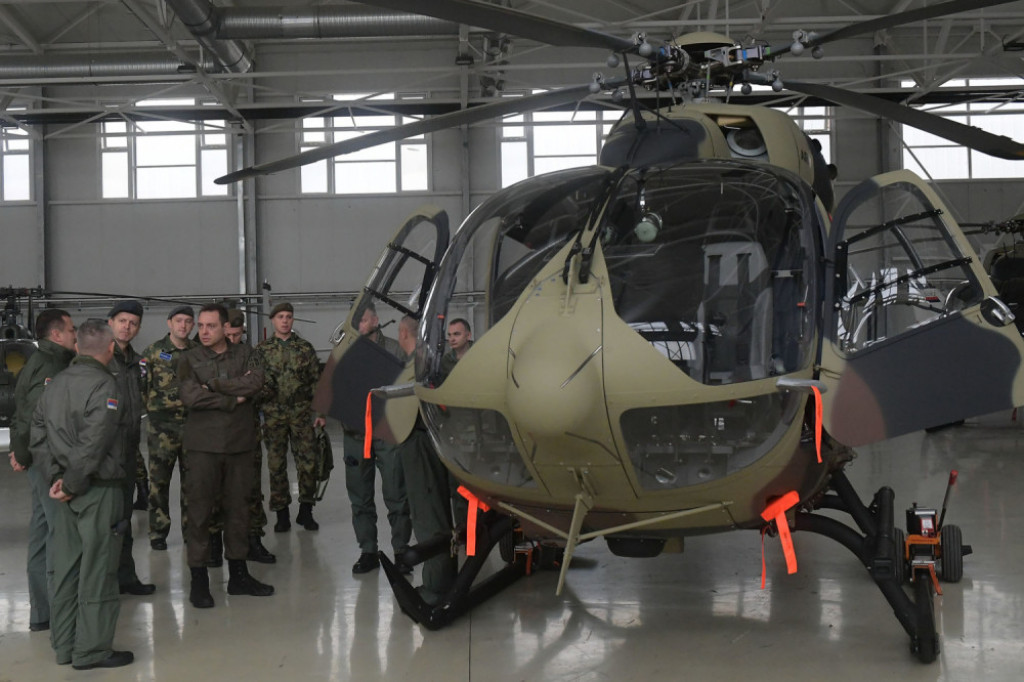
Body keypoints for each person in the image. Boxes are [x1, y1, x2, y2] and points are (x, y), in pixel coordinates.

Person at [29, 319, 134, 670]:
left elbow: (37, 433)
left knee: (66, 568)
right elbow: (95, 440)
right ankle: (91, 651)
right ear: (110, 348)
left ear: (77, 347)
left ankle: (64, 646)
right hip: (97, 490)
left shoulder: (56, 383)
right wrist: (73, 483)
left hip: (61, 491)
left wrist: (57, 478)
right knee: (98, 569)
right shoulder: (106, 385)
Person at [178, 303, 272, 608]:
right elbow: (191, 397)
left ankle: (239, 576)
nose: (204, 332)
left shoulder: (245, 353)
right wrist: (232, 400)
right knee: (199, 514)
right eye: (201, 326)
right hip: (203, 447)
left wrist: (215, 386)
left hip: (239, 445)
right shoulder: (188, 358)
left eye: (211, 326)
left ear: (225, 327)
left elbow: (255, 382)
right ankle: (199, 580)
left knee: (238, 512)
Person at [8, 308, 77, 633]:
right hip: (48, 463)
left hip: (39, 460)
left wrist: (20, 452)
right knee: (58, 535)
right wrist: (22, 454)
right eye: (71, 329)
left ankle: (42, 612)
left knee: (40, 533)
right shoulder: (50, 367)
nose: (75, 334)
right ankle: (56, 613)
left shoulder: (50, 362)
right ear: (57, 334)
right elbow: (35, 419)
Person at [344, 302, 411, 574]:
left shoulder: (393, 349)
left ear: (375, 320)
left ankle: (402, 551)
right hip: (355, 433)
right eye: (355, 320)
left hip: (386, 432)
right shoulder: (345, 351)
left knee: (396, 494)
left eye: (363, 319)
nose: (359, 324)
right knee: (360, 496)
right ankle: (368, 550)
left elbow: (408, 388)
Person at [395, 316, 457, 605]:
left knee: (428, 516)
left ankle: (436, 587)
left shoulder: (417, 368)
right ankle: (445, 578)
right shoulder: (430, 363)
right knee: (436, 513)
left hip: (420, 444)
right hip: (430, 442)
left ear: (403, 333)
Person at [257, 301, 324, 533]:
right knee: (276, 465)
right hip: (273, 413)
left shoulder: (305, 348)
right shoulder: (262, 350)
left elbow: (316, 382)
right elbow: (255, 382)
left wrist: (320, 412)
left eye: (288, 316)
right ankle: (281, 513)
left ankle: (306, 510)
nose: (285, 320)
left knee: (308, 463)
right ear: (272, 320)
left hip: (301, 412)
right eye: (280, 317)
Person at [106, 300, 155, 596]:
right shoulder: (97, 359)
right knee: (103, 523)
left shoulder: (137, 363)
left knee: (124, 521)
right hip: (102, 455)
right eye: (122, 320)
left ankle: (125, 577)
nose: (127, 327)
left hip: (127, 453)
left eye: (133, 323)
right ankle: (102, 583)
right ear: (110, 322)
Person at [141, 305, 195, 551]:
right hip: (162, 429)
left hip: (192, 427)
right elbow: (143, 387)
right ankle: (158, 532)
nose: (183, 325)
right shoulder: (154, 352)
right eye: (178, 320)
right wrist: (155, 413)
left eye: (188, 321)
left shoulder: (198, 352)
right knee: (159, 482)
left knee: (192, 483)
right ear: (169, 323)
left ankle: (191, 531)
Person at [224, 308, 275, 563]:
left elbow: (264, 387)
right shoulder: (207, 355)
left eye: (237, 335)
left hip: (248, 431)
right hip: (218, 433)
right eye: (229, 335)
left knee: (252, 488)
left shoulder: (252, 354)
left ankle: (254, 540)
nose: (233, 339)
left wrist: (235, 390)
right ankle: (216, 546)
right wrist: (242, 385)